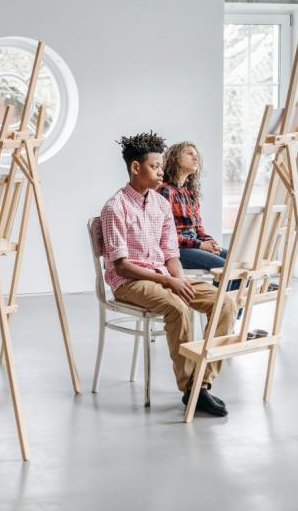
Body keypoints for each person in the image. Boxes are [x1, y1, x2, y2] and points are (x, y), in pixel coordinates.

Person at [99, 131, 238, 416]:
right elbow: (121, 264)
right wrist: (168, 281)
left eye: (162, 166)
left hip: (163, 275)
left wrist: (180, 279)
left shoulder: (161, 204)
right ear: (136, 168)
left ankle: (203, 382)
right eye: (155, 166)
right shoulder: (115, 207)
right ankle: (192, 389)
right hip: (130, 282)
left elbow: (171, 253)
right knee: (177, 307)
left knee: (225, 301)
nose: (161, 171)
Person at [157, 141, 241, 292]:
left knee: (237, 262)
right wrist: (201, 245)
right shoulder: (164, 191)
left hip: (194, 244)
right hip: (176, 250)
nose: (196, 158)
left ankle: (230, 313)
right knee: (224, 267)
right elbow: (164, 236)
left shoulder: (190, 194)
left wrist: (209, 242)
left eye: (196, 155)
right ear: (175, 158)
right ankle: (218, 311)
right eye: (190, 154)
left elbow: (198, 228)